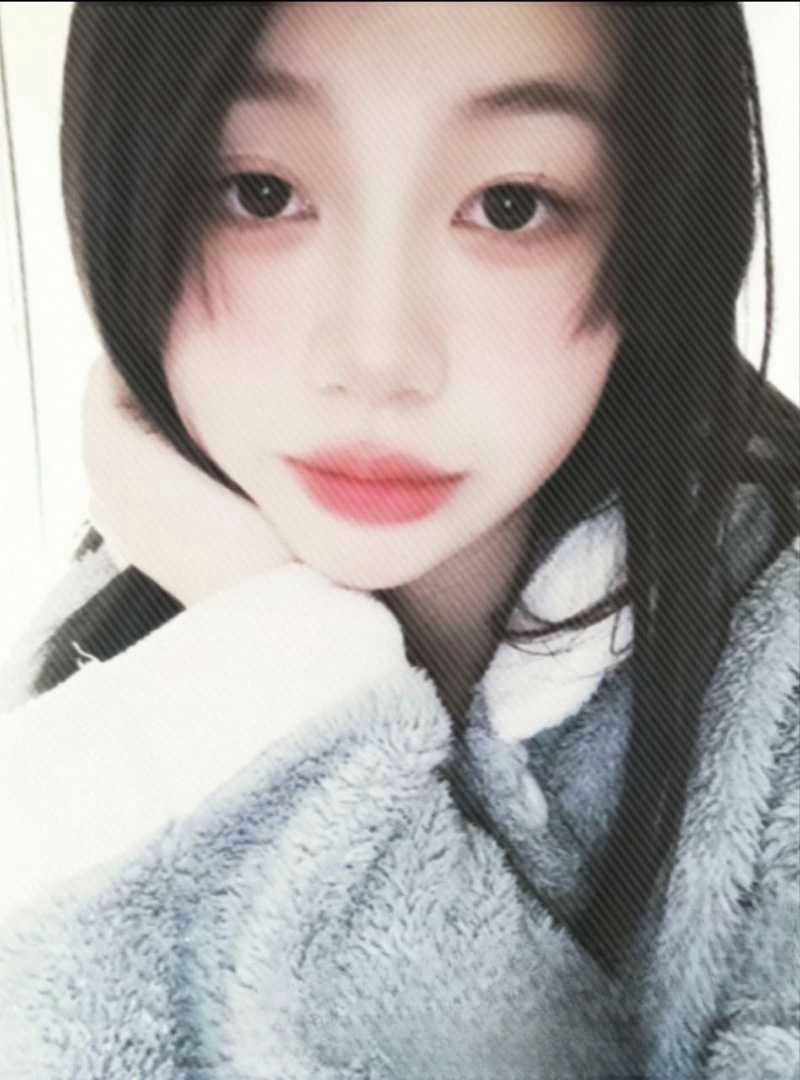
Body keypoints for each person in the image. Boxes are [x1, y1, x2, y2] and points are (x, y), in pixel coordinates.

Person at [0, 3, 798, 1077]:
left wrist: (279, 679)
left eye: (511, 205)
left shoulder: (775, 674)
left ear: (656, 235)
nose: (377, 355)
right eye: (259, 192)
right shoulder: (98, 646)